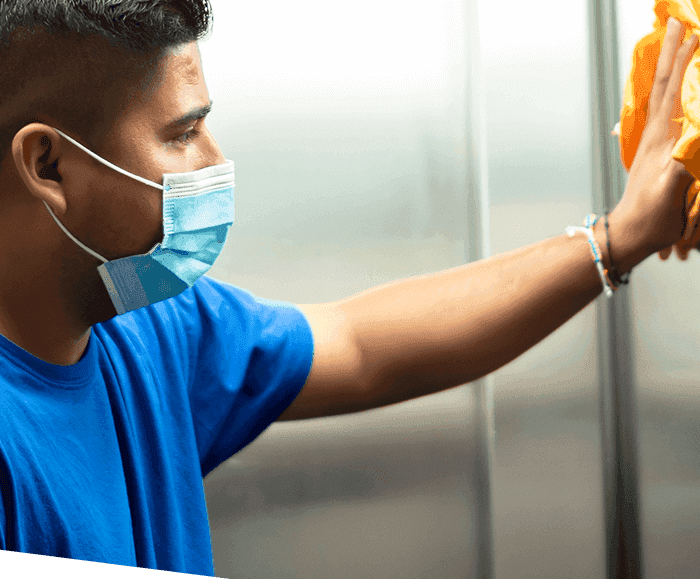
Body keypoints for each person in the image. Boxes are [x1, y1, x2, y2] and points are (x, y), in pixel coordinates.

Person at [0, 0, 695, 576]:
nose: (215, 160)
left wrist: (617, 237)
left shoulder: (148, 329)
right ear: (49, 164)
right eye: (183, 134)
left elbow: (360, 344)